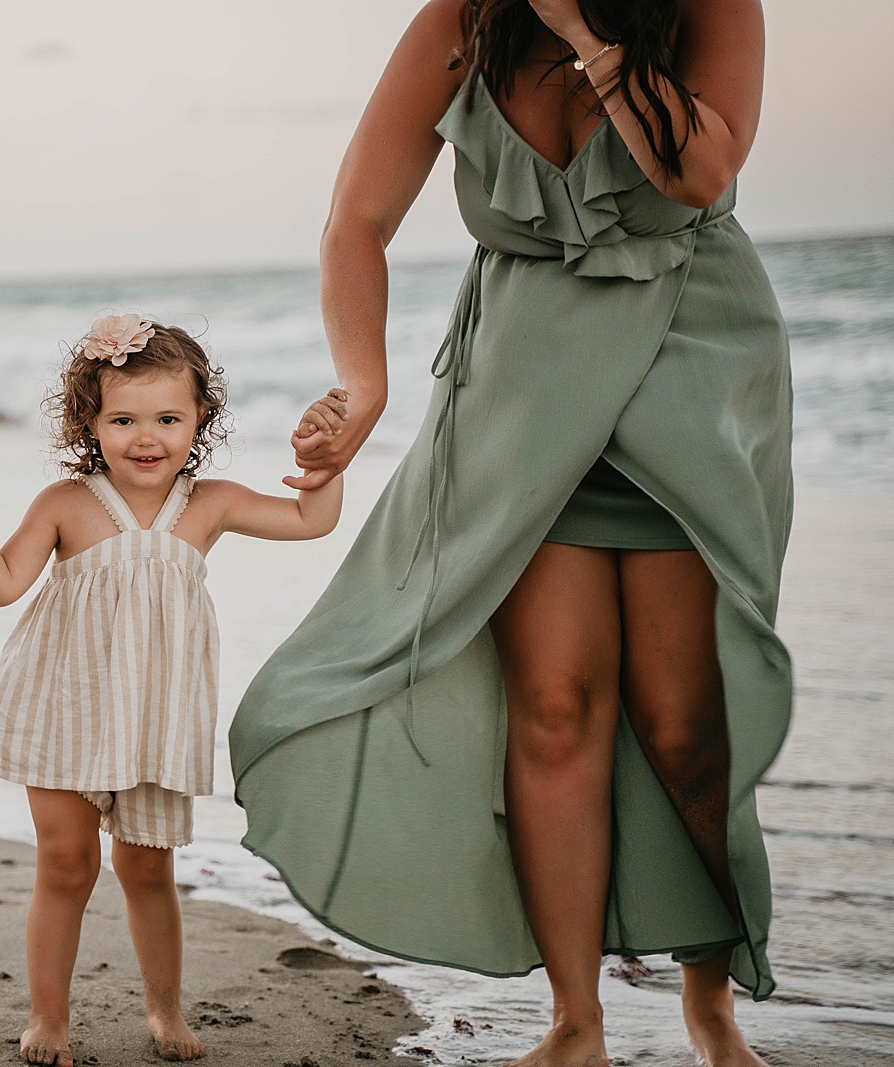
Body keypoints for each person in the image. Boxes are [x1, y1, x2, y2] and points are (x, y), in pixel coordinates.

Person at [228, 1, 790, 1064]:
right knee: (551, 706)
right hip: (522, 397)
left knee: (684, 725)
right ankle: (575, 1021)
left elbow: (699, 174)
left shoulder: (712, 5)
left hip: (692, 372)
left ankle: (708, 1007)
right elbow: (356, 217)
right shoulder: (459, 20)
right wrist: (364, 382)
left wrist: (586, 35)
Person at [0, 316, 347, 1066]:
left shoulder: (208, 503)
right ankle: (48, 1017)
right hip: (65, 710)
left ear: (200, 419)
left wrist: (326, 459)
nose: (145, 438)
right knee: (66, 864)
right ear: (90, 420)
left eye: (167, 418)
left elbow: (312, 519)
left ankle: (164, 1007)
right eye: (122, 419)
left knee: (148, 866)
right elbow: (1, 584)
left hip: (155, 719)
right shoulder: (66, 503)